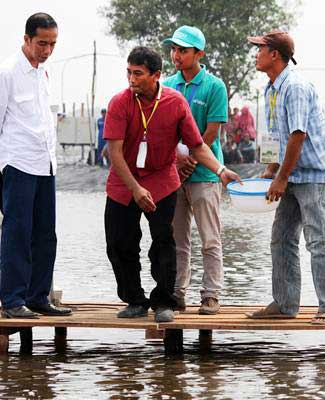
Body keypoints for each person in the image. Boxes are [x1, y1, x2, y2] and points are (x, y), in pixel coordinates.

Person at [103, 46, 240, 323]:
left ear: (156, 75)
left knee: (165, 242)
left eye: (138, 74)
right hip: (124, 181)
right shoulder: (120, 103)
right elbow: (114, 153)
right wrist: (135, 189)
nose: (131, 79)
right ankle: (135, 299)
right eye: (129, 72)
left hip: (161, 180)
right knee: (119, 243)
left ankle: (164, 300)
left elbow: (198, 146)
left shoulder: (175, 103)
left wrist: (221, 170)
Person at [245, 30, 325, 324]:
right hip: (292, 172)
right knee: (282, 237)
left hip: (314, 173)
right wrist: (272, 170)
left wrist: (281, 179)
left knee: (318, 239)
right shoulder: (271, 88)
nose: (256, 54)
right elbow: (279, 135)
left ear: (275, 54)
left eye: (260, 49)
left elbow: (298, 136)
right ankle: (286, 304)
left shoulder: (295, 86)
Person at [0, 13, 72, 319]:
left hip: (45, 162)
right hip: (19, 161)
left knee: (46, 233)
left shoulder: (43, 73)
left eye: (52, 44)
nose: (47, 50)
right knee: (17, 231)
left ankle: (38, 297)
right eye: (42, 43)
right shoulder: (7, 73)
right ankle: (12, 300)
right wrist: (5, 152)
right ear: (26, 39)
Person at [162, 25, 230, 315]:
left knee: (210, 238)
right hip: (173, 174)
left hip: (204, 175)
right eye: (174, 49)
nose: (176, 55)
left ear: (199, 53)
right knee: (177, 239)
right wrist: (178, 162)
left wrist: (190, 159)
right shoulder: (166, 85)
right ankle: (178, 293)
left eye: (183, 50)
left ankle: (211, 295)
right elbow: (163, 131)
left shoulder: (214, 87)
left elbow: (211, 133)